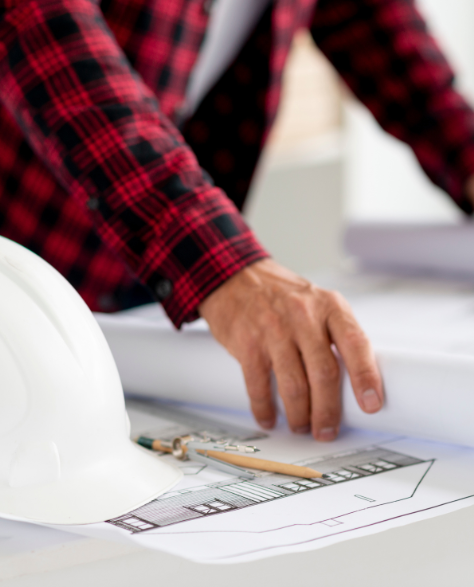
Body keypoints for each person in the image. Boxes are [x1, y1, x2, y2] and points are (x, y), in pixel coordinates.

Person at [1, 0, 474, 440]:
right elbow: (41, 30)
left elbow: (377, 29)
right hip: (25, 274)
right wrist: (220, 262)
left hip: (141, 314)